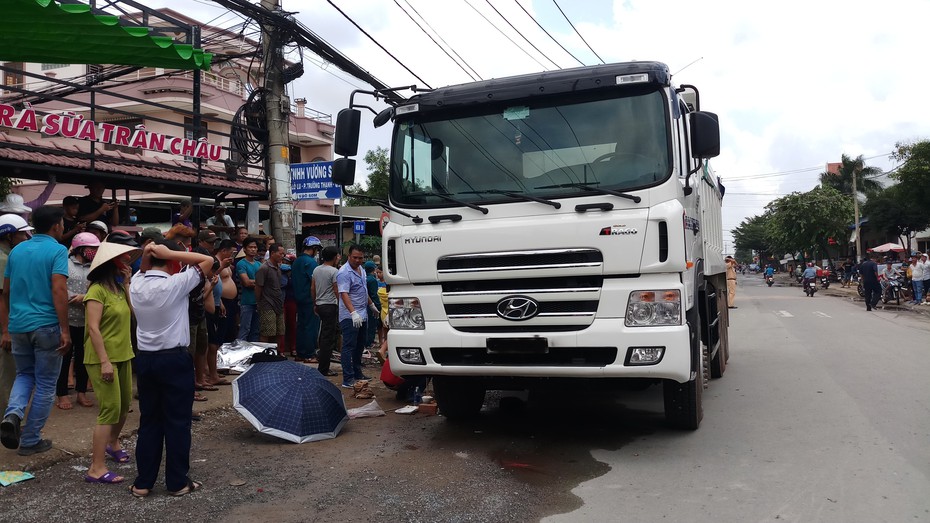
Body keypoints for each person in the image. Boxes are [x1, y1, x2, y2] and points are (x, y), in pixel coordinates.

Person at [129, 238, 214, 498]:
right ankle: (177, 482)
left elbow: (143, 269)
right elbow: (207, 261)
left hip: (145, 359)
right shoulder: (176, 283)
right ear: (171, 260)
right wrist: (171, 252)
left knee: (150, 421)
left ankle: (143, 483)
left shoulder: (136, 283)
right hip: (174, 359)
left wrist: (150, 253)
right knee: (177, 422)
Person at [0, 206, 71, 456]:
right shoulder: (57, 250)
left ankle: (13, 414)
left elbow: (6, 292)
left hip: (18, 325)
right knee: (45, 384)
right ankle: (30, 439)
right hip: (46, 325)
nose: (63, 227)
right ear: (56, 226)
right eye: (62, 223)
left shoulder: (17, 251)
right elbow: (59, 290)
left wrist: (6, 328)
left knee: (24, 375)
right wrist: (65, 329)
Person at [83, 240, 140, 484]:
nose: (127, 262)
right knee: (109, 408)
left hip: (124, 354)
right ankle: (96, 467)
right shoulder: (96, 290)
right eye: (123, 258)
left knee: (124, 403)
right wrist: (105, 361)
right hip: (102, 358)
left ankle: (112, 442)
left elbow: (133, 312)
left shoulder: (117, 288)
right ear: (110, 263)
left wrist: (127, 284)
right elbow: (93, 329)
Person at [57, 232, 99, 411]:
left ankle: (82, 392)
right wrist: (72, 297)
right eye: (92, 248)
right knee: (64, 358)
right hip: (66, 320)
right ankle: (62, 394)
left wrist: (86, 297)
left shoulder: (96, 266)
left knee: (84, 359)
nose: (94, 252)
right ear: (80, 248)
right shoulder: (64, 263)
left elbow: (100, 287)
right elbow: (57, 286)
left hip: (87, 320)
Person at [0, 214, 35, 416]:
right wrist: (6, 331)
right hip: (5, 326)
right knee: (8, 375)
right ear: (9, 235)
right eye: (22, 234)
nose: (27, 238)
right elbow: (2, 298)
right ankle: (8, 422)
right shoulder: (4, 258)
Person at [337, 245, 378, 388]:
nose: (357, 260)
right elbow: (344, 294)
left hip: (363, 314)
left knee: (360, 345)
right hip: (349, 316)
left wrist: (372, 305)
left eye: (360, 258)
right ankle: (348, 379)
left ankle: (357, 373)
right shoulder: (344, 272)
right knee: (348, 346)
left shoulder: (362, 271)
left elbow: (363, 290)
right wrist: (353, 313)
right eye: (355, 257)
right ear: (348, 256)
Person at [291, 237, 322, 363]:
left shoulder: (297, 261)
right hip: (310, 299)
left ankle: (300, 353)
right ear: (314, 249)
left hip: (298, 298)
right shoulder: (311, 263)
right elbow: (315, 283)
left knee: (301, 326)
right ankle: (309, 354)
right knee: (310, 327)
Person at [311, 246, 340, 377]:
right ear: (334, 257)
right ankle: (324, 368)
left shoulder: (317, 269)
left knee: (324, 336)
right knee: (327, 338)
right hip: (330, 305)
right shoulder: (334, 271)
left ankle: (322, 364)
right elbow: (336, 290)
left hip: (320, 304)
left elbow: (313, 288)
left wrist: (315, 303)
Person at [255, 243, 285, 347]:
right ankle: (265, 354)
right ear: (272, 253)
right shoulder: (264, 268)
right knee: (267, 331)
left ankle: (275, 354)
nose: (282, 256)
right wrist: (259, 302)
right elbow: (258, 287)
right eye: (280, 254)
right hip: (267, 303)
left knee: (279, 331)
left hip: (278, 303)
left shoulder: (278, 267)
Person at [236, 237, 261, 341]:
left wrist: (254, 282)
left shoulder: (259, 264)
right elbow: (246, 282)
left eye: (255, 247)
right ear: (245, 249)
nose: (253, 249)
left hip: (258, 302)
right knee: (244, 330)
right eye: (250, 247)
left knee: (255, 331)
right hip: (246, 301)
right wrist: (260, 283)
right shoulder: (241, 263)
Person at [364, 261, 381, 350]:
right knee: (372, 325)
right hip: (372, 305)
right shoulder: (372, 280)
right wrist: (378, 306)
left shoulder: (364, 278)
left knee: (366, 325)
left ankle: (366, 341)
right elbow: (374, 295)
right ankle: (369, 342)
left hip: (364, 304)